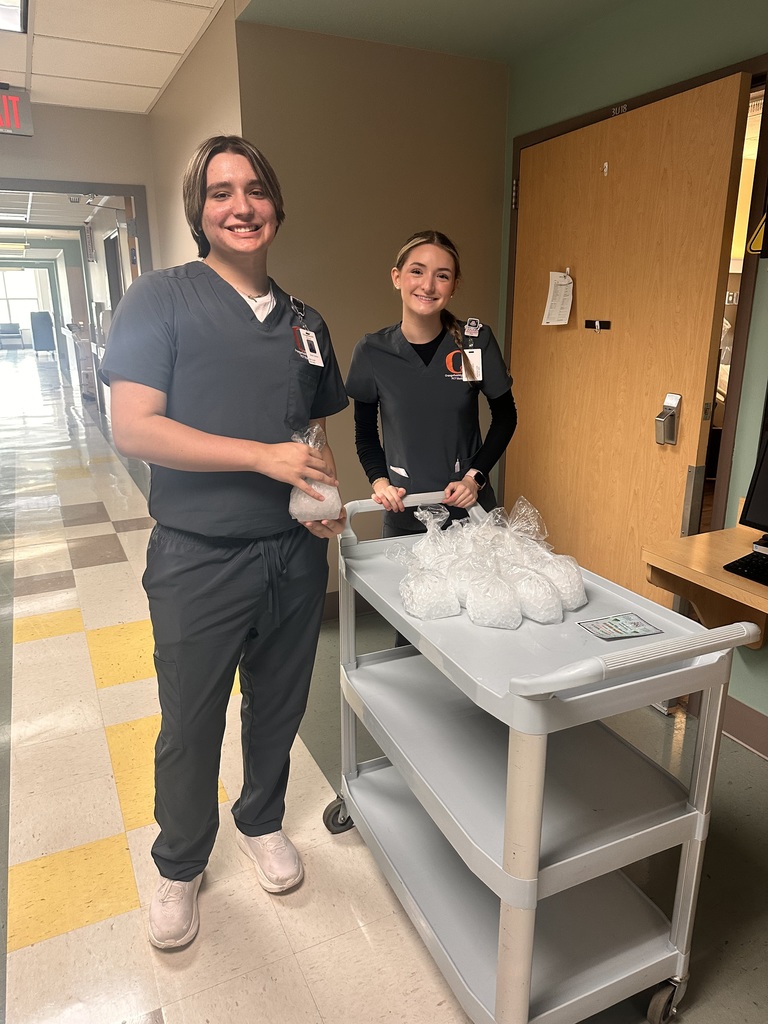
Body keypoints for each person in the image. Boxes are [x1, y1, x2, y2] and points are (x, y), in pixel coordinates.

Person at [100, 135, 348, 950]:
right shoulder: (159, 298)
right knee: (191, 720)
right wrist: (257, 456)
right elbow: (133, 426)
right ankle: (178, 865)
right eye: (220, 193)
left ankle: (262, 820)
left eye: (254, 190)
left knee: (277, 706)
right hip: (199, 555)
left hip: (292, 554)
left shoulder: (306, 321)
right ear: (199, 212)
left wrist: (325, 491)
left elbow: (312, 427)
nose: (240, 206)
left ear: (276, 204)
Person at [346, 230, 517, 538]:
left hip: (470, 512)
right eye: (417, 271)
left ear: (454, 286)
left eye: (442, 276)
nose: (427, 285)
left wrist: (474, 478)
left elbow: (506, 416)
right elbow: (365, 432)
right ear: (397, 277)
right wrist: (380, 482)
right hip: (405, 512)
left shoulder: (471, 345)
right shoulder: (373, 352)